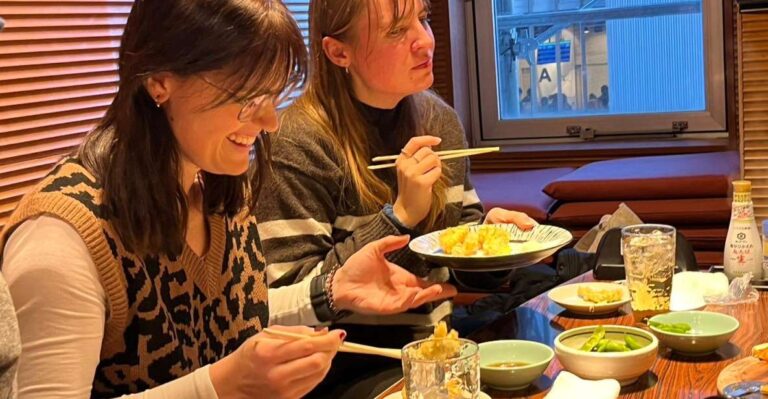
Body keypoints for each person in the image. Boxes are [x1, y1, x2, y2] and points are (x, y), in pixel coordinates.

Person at [0, 1, 451, 398]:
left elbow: (230, 316)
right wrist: (222, 386)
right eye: (248, 97)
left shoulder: (216, 187)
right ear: (159, 81)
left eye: (273, 95)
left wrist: (332, 291)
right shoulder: (62, 241)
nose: (270, 121)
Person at [255, 0, 536, 396]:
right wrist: (401, 216)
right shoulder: (298, 142)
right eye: (396, 31)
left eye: (422, 19)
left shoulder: (438, 120)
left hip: (438, 348)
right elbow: (287, 298)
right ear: (339, 52)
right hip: (343, 368)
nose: (425, 41)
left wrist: (491, 243)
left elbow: (455, 266)